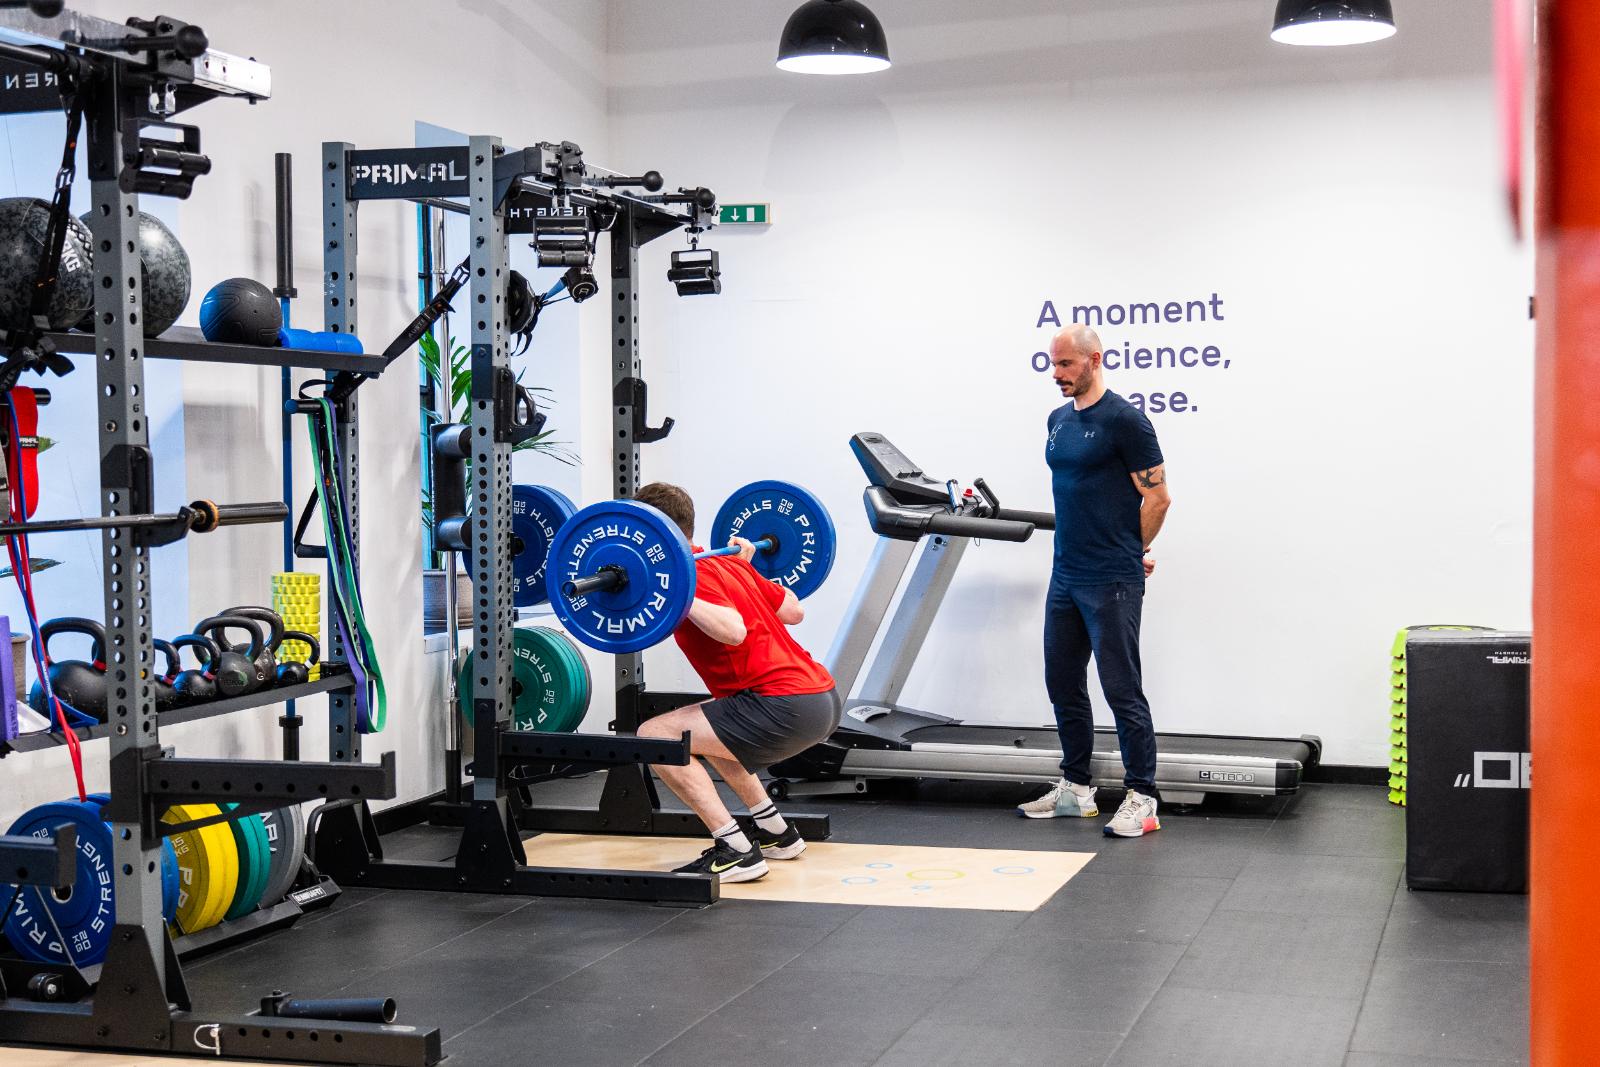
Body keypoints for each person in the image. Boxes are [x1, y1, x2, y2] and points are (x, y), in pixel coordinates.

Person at [631, 482, 843, 882]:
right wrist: (750, 569)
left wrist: (676, 590)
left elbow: (733, 631)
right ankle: (775, 831)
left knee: (654, 735)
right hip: (821, 697)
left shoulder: (687, 573)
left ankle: (735, 851)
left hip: (782, 704)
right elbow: (794, 611)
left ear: (651, 529)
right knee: (710, 730)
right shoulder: (728, 563)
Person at [1018, 323, 1173, 837]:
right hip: (1066, 573)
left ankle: (1143, 797)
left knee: (1121, 688)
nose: (1056, 373)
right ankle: (1076, 788)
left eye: (1066, 364)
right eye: (1053, 363)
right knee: (1062, 682)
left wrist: (1133, 552)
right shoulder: (1058, 420)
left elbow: (1158, 498)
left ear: (1094, 360)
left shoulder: (1126, 420)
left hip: (1111, 578)